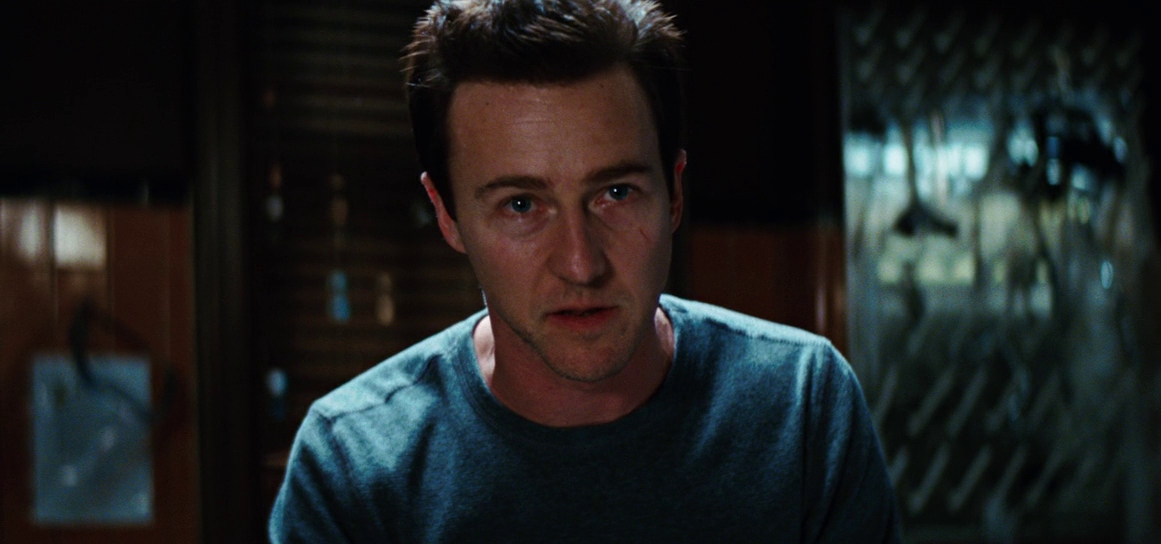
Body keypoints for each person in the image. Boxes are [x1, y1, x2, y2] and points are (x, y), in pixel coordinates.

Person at [269, 0, 900, 541]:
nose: (581, 263)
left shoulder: (802, 407)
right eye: (521, 205)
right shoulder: (354, 464)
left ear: (674, 194)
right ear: (447, 214)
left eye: (616, 194)